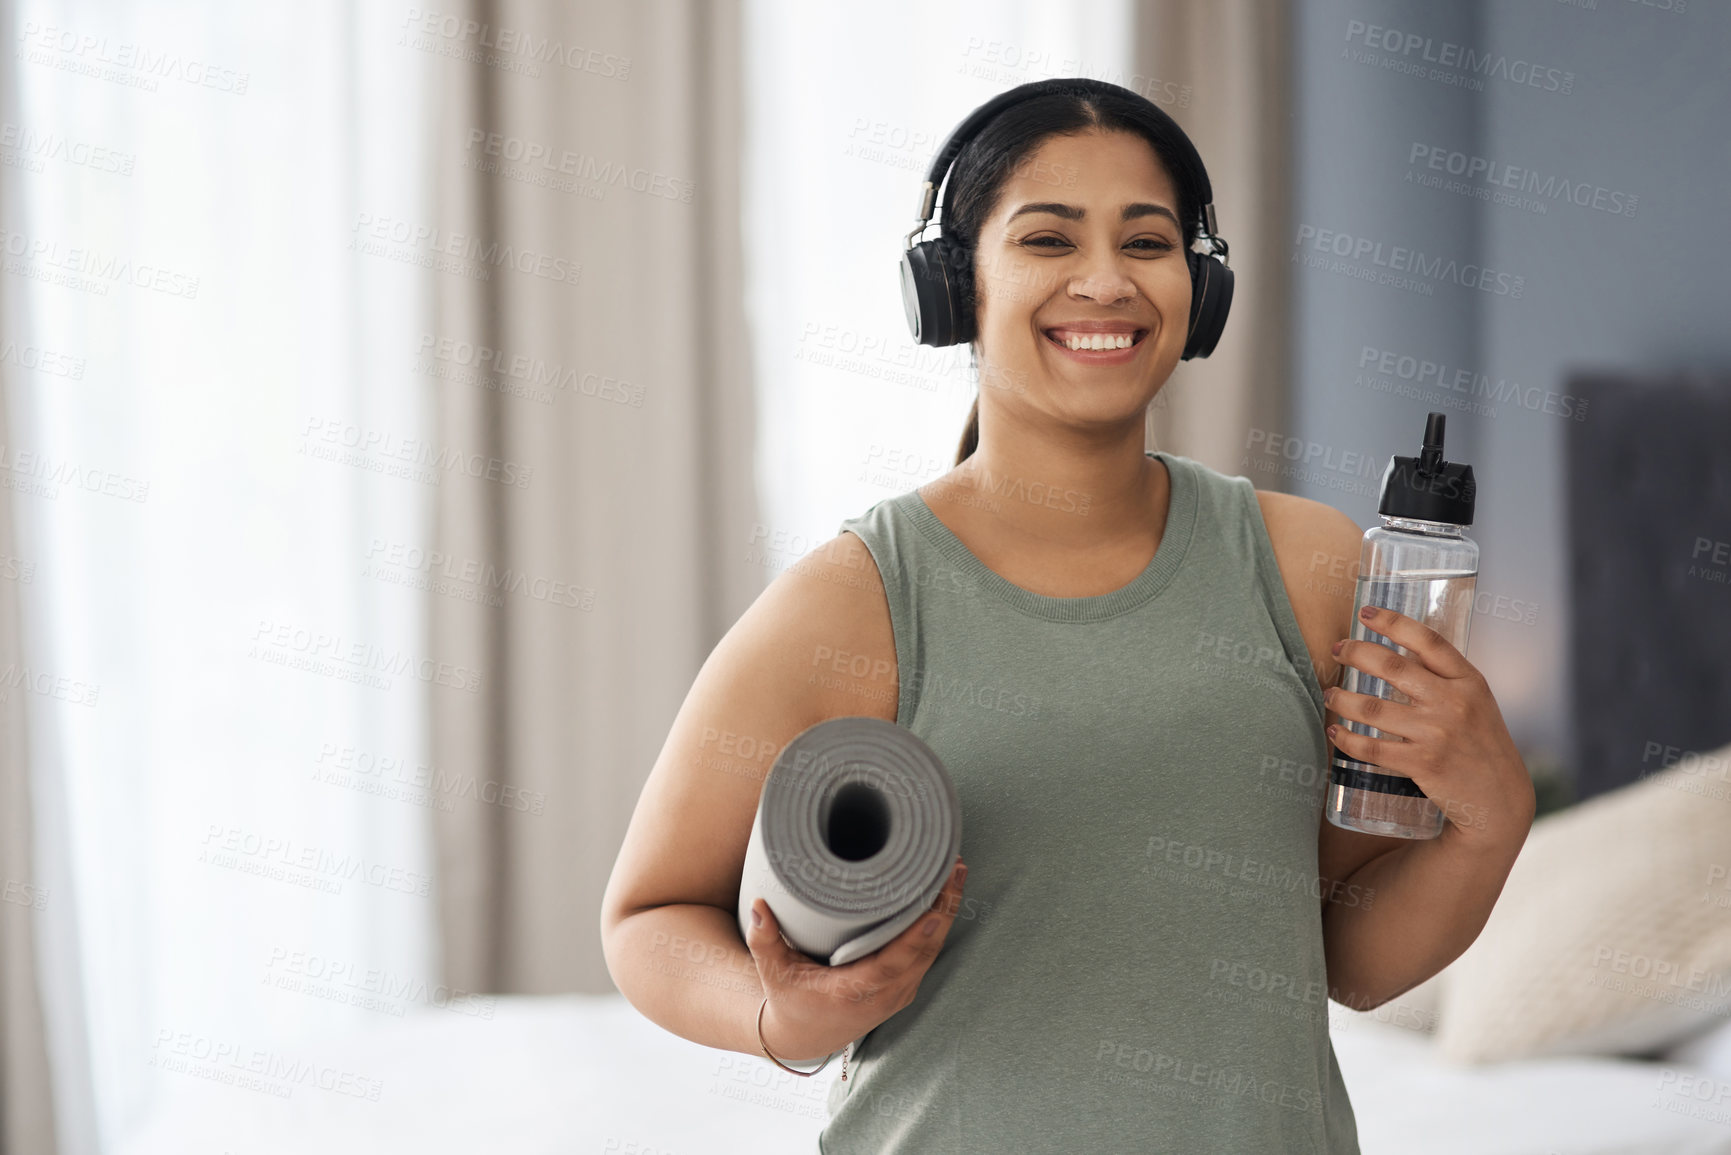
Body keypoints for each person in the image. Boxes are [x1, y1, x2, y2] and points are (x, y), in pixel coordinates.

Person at [599, 78, 1536, 1153]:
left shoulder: (1308, 565)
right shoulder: (857, 598)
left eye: (1147, 243)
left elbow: (1352, 961)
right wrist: (783, 1015)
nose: (1106, 281)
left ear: (1200, 288)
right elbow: (647, 919)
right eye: (1048, 240)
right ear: (956, 288)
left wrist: (1493, 815)